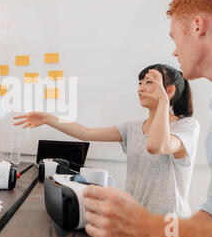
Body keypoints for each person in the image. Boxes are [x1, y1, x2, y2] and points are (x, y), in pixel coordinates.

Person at [81, 0, 212, 237]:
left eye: (174, 37)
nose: (174, 51)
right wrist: (149, 233)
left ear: (197, 26)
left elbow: (157, 147)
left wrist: (151, 230)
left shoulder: (197, 124)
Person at [14, 64, 200, 218]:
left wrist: (163, 103)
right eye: (140, 82)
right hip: (135, 217)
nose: (141, 87)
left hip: (170, 222)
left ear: (169, 90)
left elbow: (156, 145)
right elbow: (86, 132)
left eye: (149, 82)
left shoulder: (186, 127)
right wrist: (50, 119)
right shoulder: (132, 128)